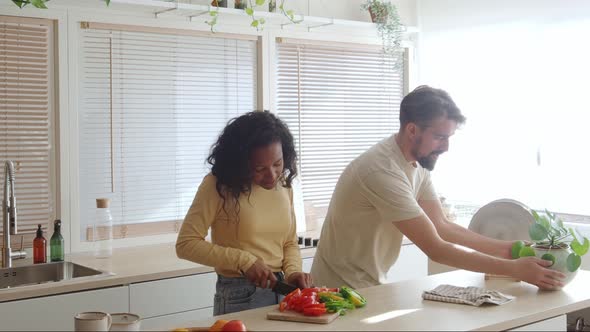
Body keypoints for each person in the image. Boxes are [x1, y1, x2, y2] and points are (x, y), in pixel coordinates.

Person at [310, 86, 565, 290]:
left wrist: (508, 250)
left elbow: (441, 226)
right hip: (336, 290)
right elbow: (435, 247)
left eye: (449, 138)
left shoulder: (418, 163)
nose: (445, 147)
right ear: (412, 130)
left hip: (367, 286)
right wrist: (513, 268)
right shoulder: (381, 171)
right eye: (440, 137)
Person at [176, 111, 313, 315]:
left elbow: (289, 242)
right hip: (239, 295)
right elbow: (186, 244)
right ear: (241, 162)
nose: (272, 175)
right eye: (259, 168)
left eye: (277, 163)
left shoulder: (284, 185)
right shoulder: (218, 185)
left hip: (284, 294)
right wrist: (245, 261)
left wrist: (293, 272)